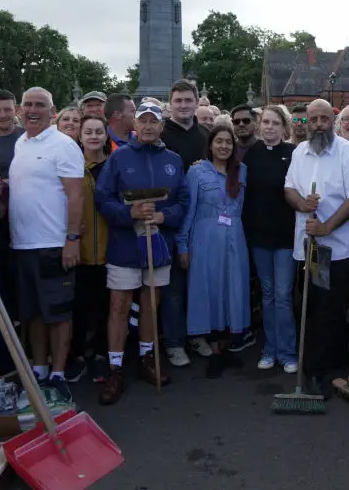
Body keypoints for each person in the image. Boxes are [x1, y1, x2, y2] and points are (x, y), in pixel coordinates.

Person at [95, 101, 187, 403]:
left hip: (158, 243)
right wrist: (129, 213)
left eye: (154, 122)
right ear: (135, 124)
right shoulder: (120, 158)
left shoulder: (173, 159)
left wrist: (164, 216)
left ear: (162, 126)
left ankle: (148, 358)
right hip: (125, 245)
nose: (148, 126)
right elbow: (103, 198)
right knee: (119, 305)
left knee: (151, 302)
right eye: (143, 121)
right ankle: (115, 366)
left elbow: (183, 201)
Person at [284, 99, 349, 398]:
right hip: (309, 245)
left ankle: (321, 370)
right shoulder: (299, 151)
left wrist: (327, 227)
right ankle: (314, 363)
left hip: (339, 247)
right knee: (309, 305)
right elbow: (289, 188)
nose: (319, 124)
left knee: (330, 309)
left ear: (332, 122)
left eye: (324, 118)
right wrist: (300, 203)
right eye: (314, 119)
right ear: (306, 122)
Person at [7, 87, 85, 398]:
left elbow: (76, 195)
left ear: (53, 112)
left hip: (53, 243)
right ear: (19, 109)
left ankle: (57, 373)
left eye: (40, 105)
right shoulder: (20, 142)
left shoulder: (63, 145)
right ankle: (38, 369)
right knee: (33, 313)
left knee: (58, 313)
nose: (33, 110)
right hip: (22, 245)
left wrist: (72, 239)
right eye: (28, 104)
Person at [176, 126, 250, 379]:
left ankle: (227, 346)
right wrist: (183, 245)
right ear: (210, 145)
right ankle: (214, 350)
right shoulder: (197, 172)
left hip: (234, 238)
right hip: (205, 238)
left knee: (232, 288)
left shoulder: (241, 171)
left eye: (228, 142)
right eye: (219, 141)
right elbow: (189, 210)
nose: (224, 146)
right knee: (210, 289)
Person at [241, 106, 297, 372]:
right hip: (259, 235)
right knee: (267, 295)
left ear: (284, 127)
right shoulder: (250, 154)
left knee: (283, 295)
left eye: (275, 123)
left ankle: (287, 352)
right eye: (266, 122)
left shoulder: (294, 154)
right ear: (259, 125)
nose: (270, 127)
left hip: (286, 236)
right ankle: (270, 349)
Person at [160, 79, 212, 363]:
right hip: (172, 218)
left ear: (196, 102)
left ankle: (197, 334)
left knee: (198, 283)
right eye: (178, 101)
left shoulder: (205, 134)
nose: (183, 105)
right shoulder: (161, 134)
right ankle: (174, 341)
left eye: (187, 100)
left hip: (202, 218)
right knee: (174, 287)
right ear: (170, 104)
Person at [68, 115, 112, 384]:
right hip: (79, 248)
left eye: (99, 132)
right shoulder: (71, 167)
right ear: (80, 136)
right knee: (79, 306)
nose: (94, 136)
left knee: (105, 305)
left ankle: (100, 354)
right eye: (89, 132)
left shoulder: (112, 166)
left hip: (108, 247)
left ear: (106, 136)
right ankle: (77, 354)